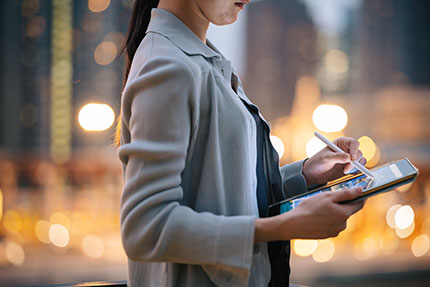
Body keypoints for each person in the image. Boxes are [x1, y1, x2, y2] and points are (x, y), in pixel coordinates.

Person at [116, 0, 367, 286]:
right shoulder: (167, 64)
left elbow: (225, 190)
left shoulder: (201, 59)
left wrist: (306, 174)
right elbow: (146, 227)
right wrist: (283, 226)